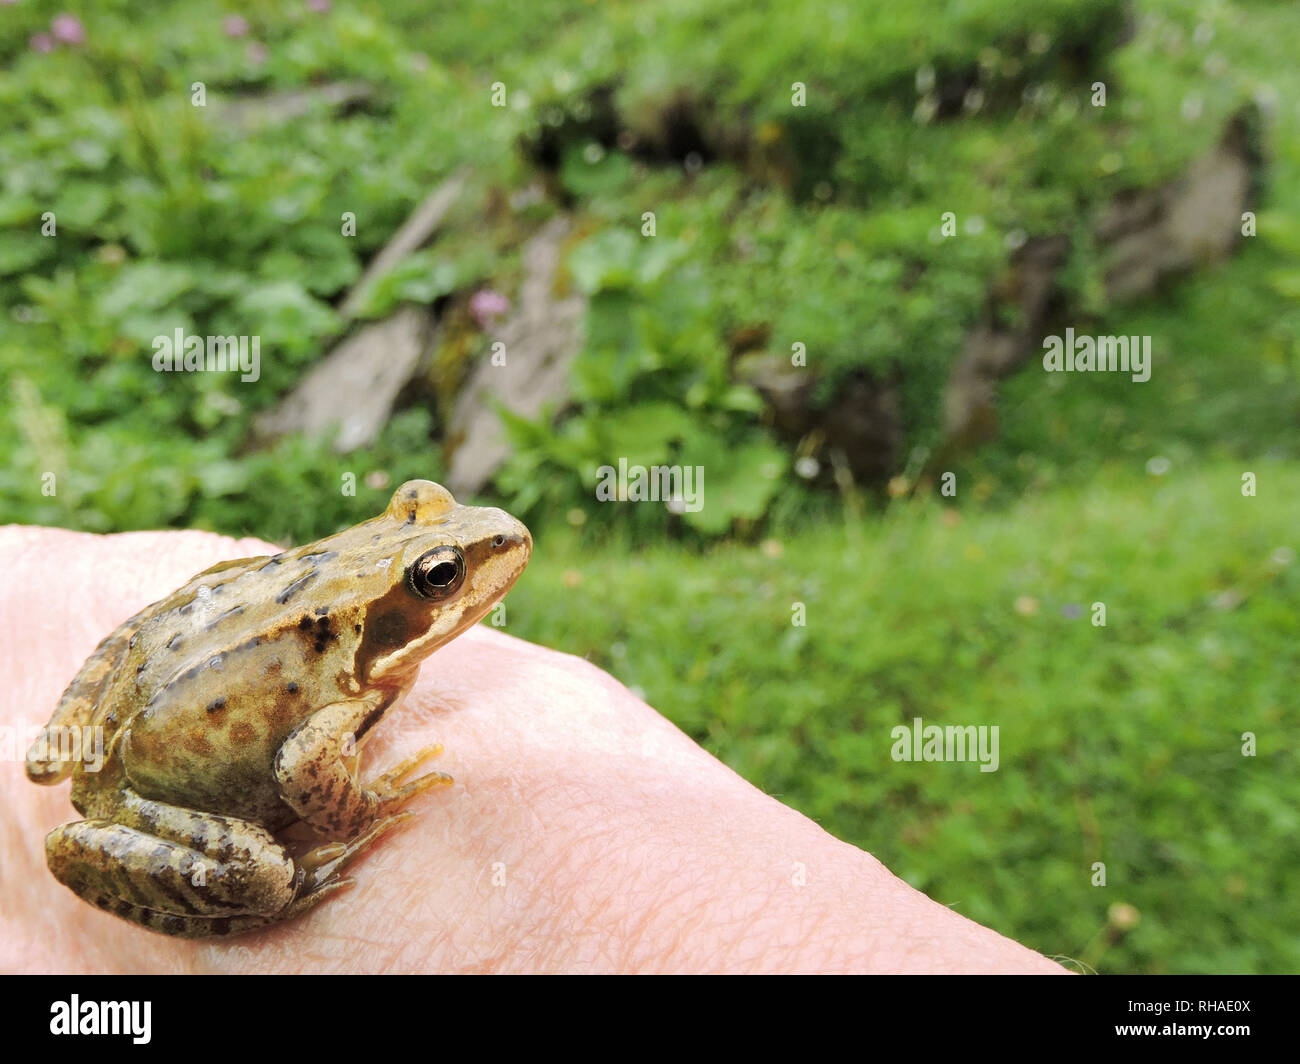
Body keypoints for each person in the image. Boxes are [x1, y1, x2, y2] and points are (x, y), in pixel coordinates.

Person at [0, 525, 1064, 974]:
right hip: (149, 796)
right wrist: (356, 820)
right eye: (434, 576)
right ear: (393, 601)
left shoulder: (362, 629)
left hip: (143, 689)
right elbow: (300, 771)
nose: (481, 558)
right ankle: (279, 888)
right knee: (266, 868)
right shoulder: (337, 689)